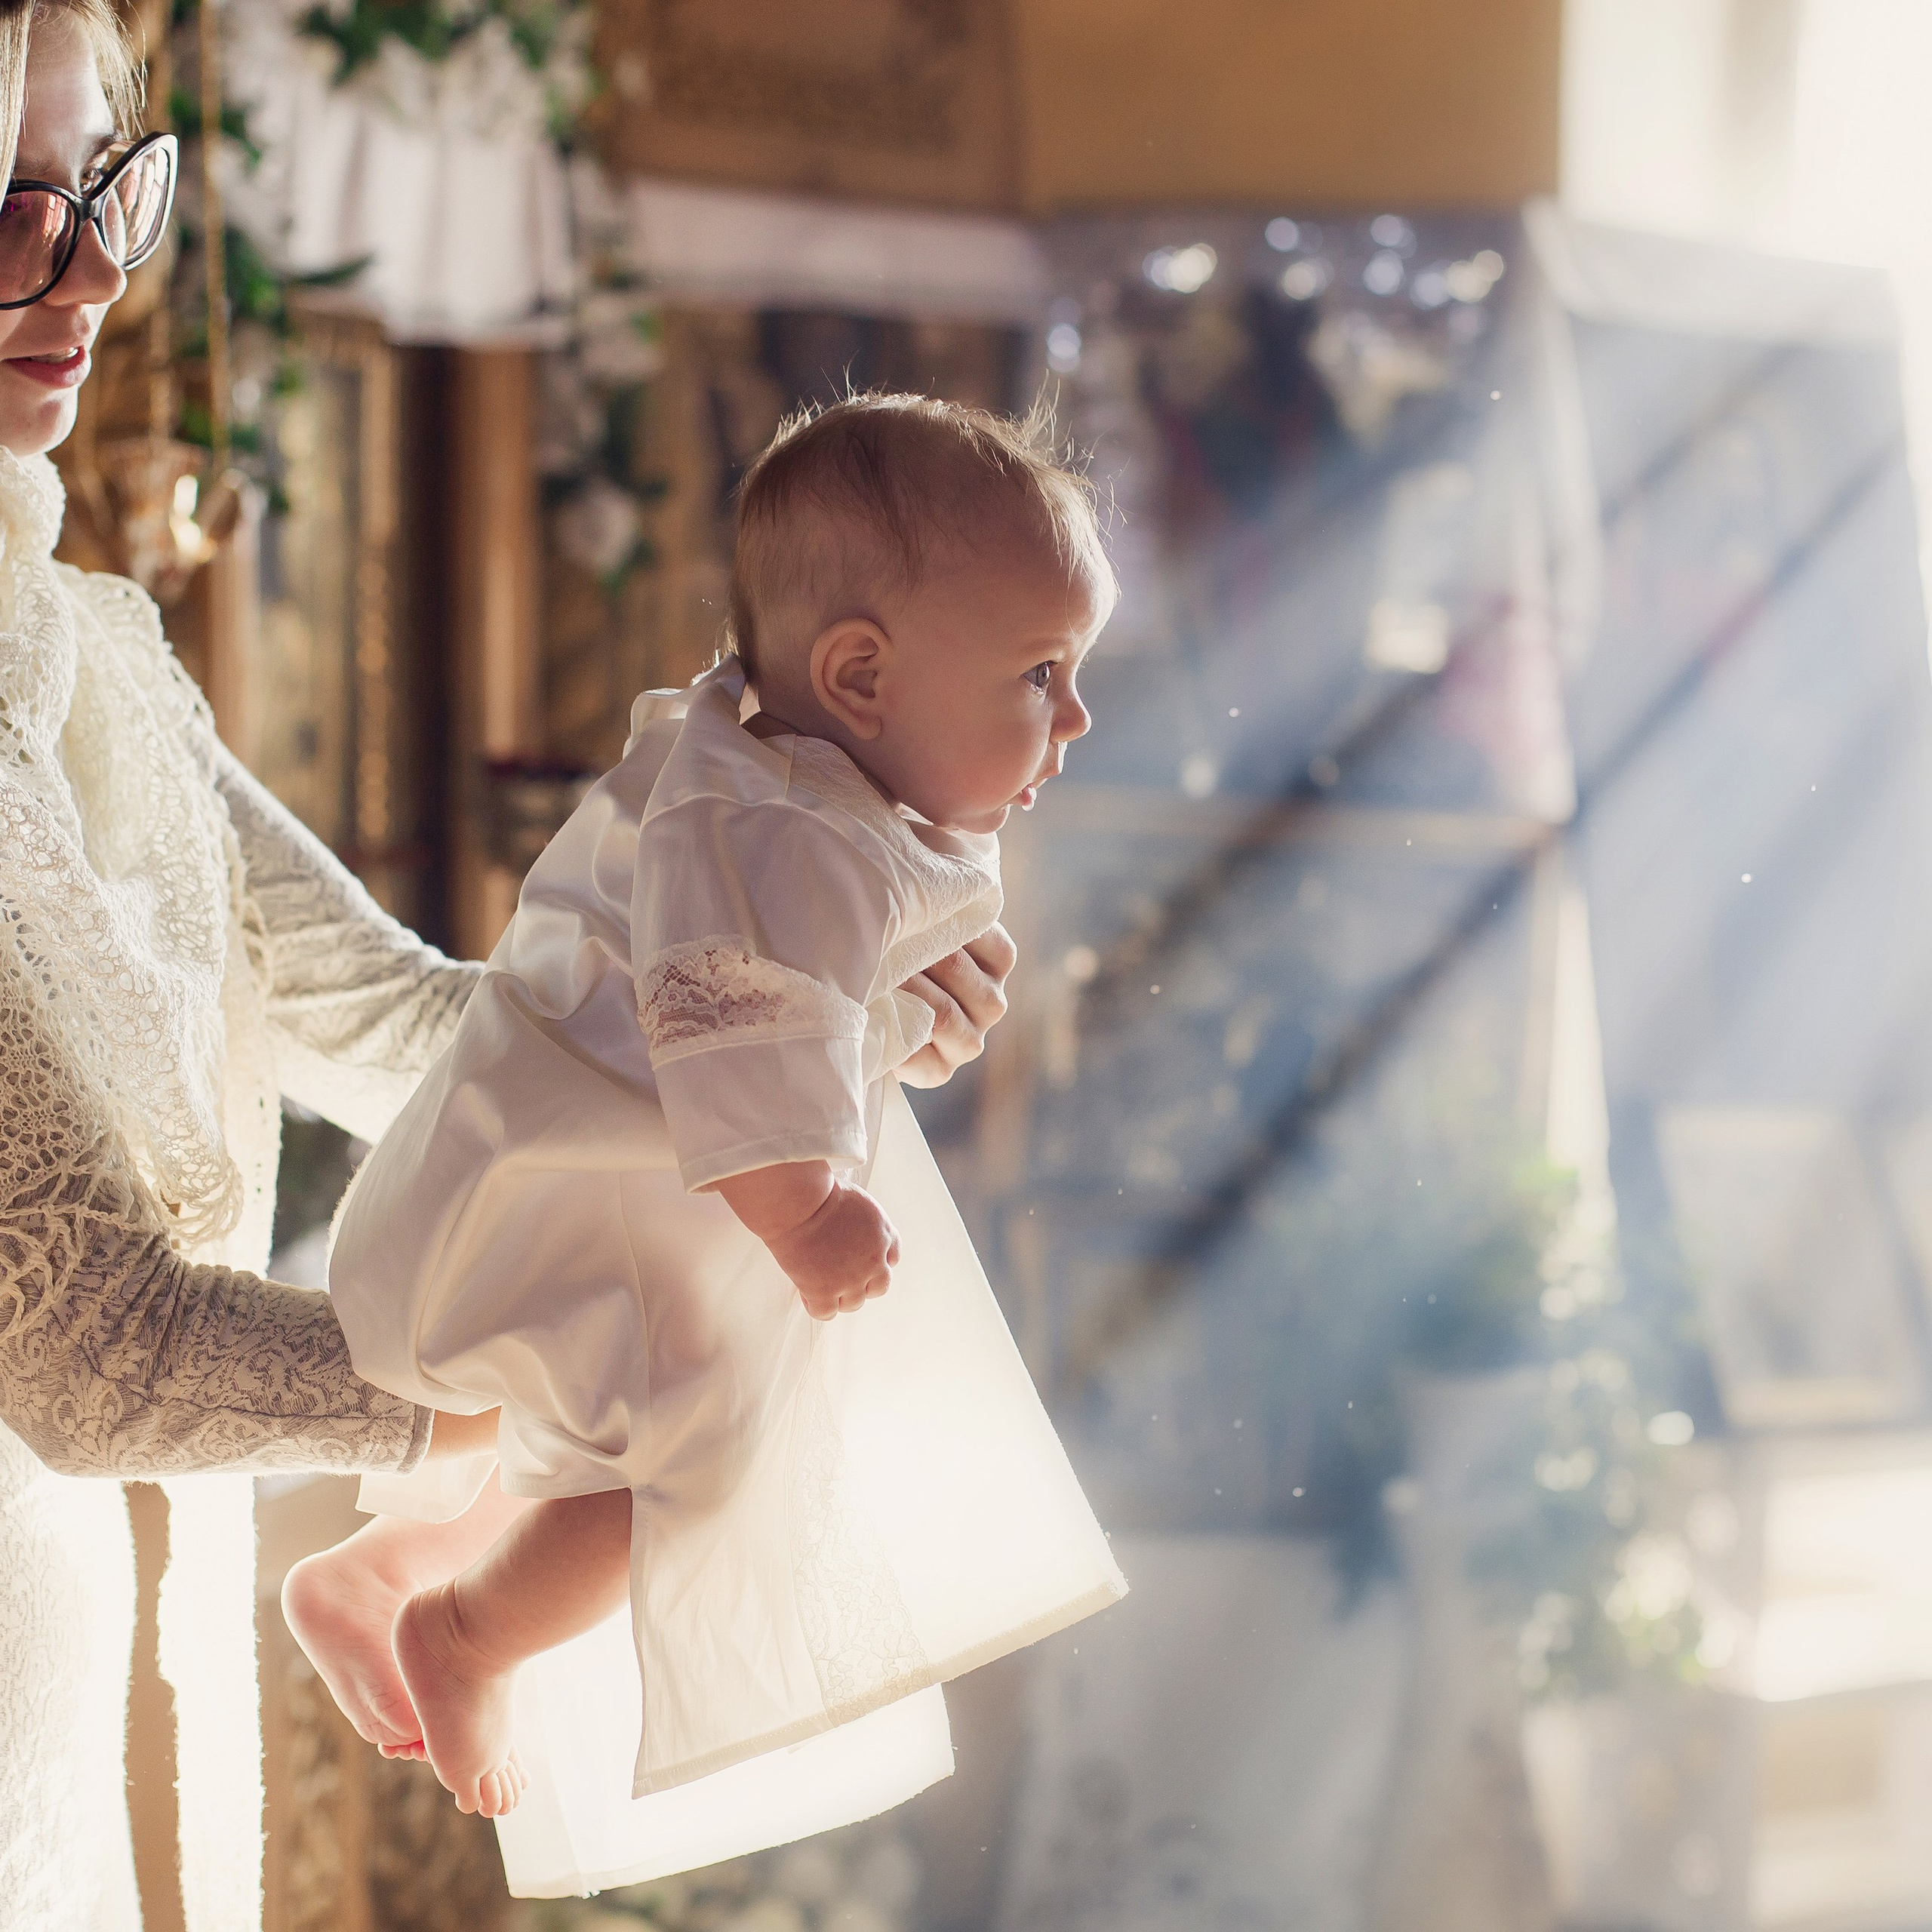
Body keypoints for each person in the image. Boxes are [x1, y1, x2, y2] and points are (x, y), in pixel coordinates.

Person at [0, 9, 1016, 1919]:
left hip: (57, 1627)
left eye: (108, 201)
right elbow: (91, 1351)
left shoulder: (104, 658)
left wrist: (791, 1011)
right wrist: (547, 1410)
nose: (79, 281)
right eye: (3, 210)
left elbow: (413, 1024)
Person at [286, 396, 1127, 1888]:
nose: (1071, 718)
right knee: (703, 1458)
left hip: (604, 1171)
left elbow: (810, 1011)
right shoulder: (778, 831)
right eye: (1040, 675)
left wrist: (889, 1031)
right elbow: (730, 1037)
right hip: (616, 1179)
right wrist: (803, 1210)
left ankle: (389, 1562)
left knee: (619, 1409)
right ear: (860, 672)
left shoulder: (794, 773)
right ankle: (461, 1627)